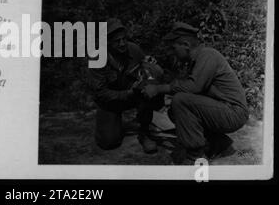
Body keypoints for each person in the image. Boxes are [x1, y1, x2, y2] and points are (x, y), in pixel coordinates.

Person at [142, 22, 249, 164]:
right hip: (224, 109)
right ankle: (219, 143)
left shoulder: (207, 55)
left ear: (186, 45)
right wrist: (155, 69)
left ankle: (195, 156)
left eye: (174, 47)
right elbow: (180, 83)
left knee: (180, 101)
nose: (173, 52)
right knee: (175, 111)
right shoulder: (195, 60)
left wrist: (158, 89)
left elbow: (193, 87)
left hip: (234, 112)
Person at [87, 18, 164, 154]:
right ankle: (113, 124)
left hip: (134, 95)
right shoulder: (97, 58)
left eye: (124, 39)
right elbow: (100, 93)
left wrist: (151, 65)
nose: (122, 44)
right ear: (107, 42)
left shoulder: (133, 49)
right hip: (111, 102)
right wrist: (127, 93)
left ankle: (144, 132)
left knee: (151, 89)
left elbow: (146, 68)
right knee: (108, 142)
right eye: (117, 41)